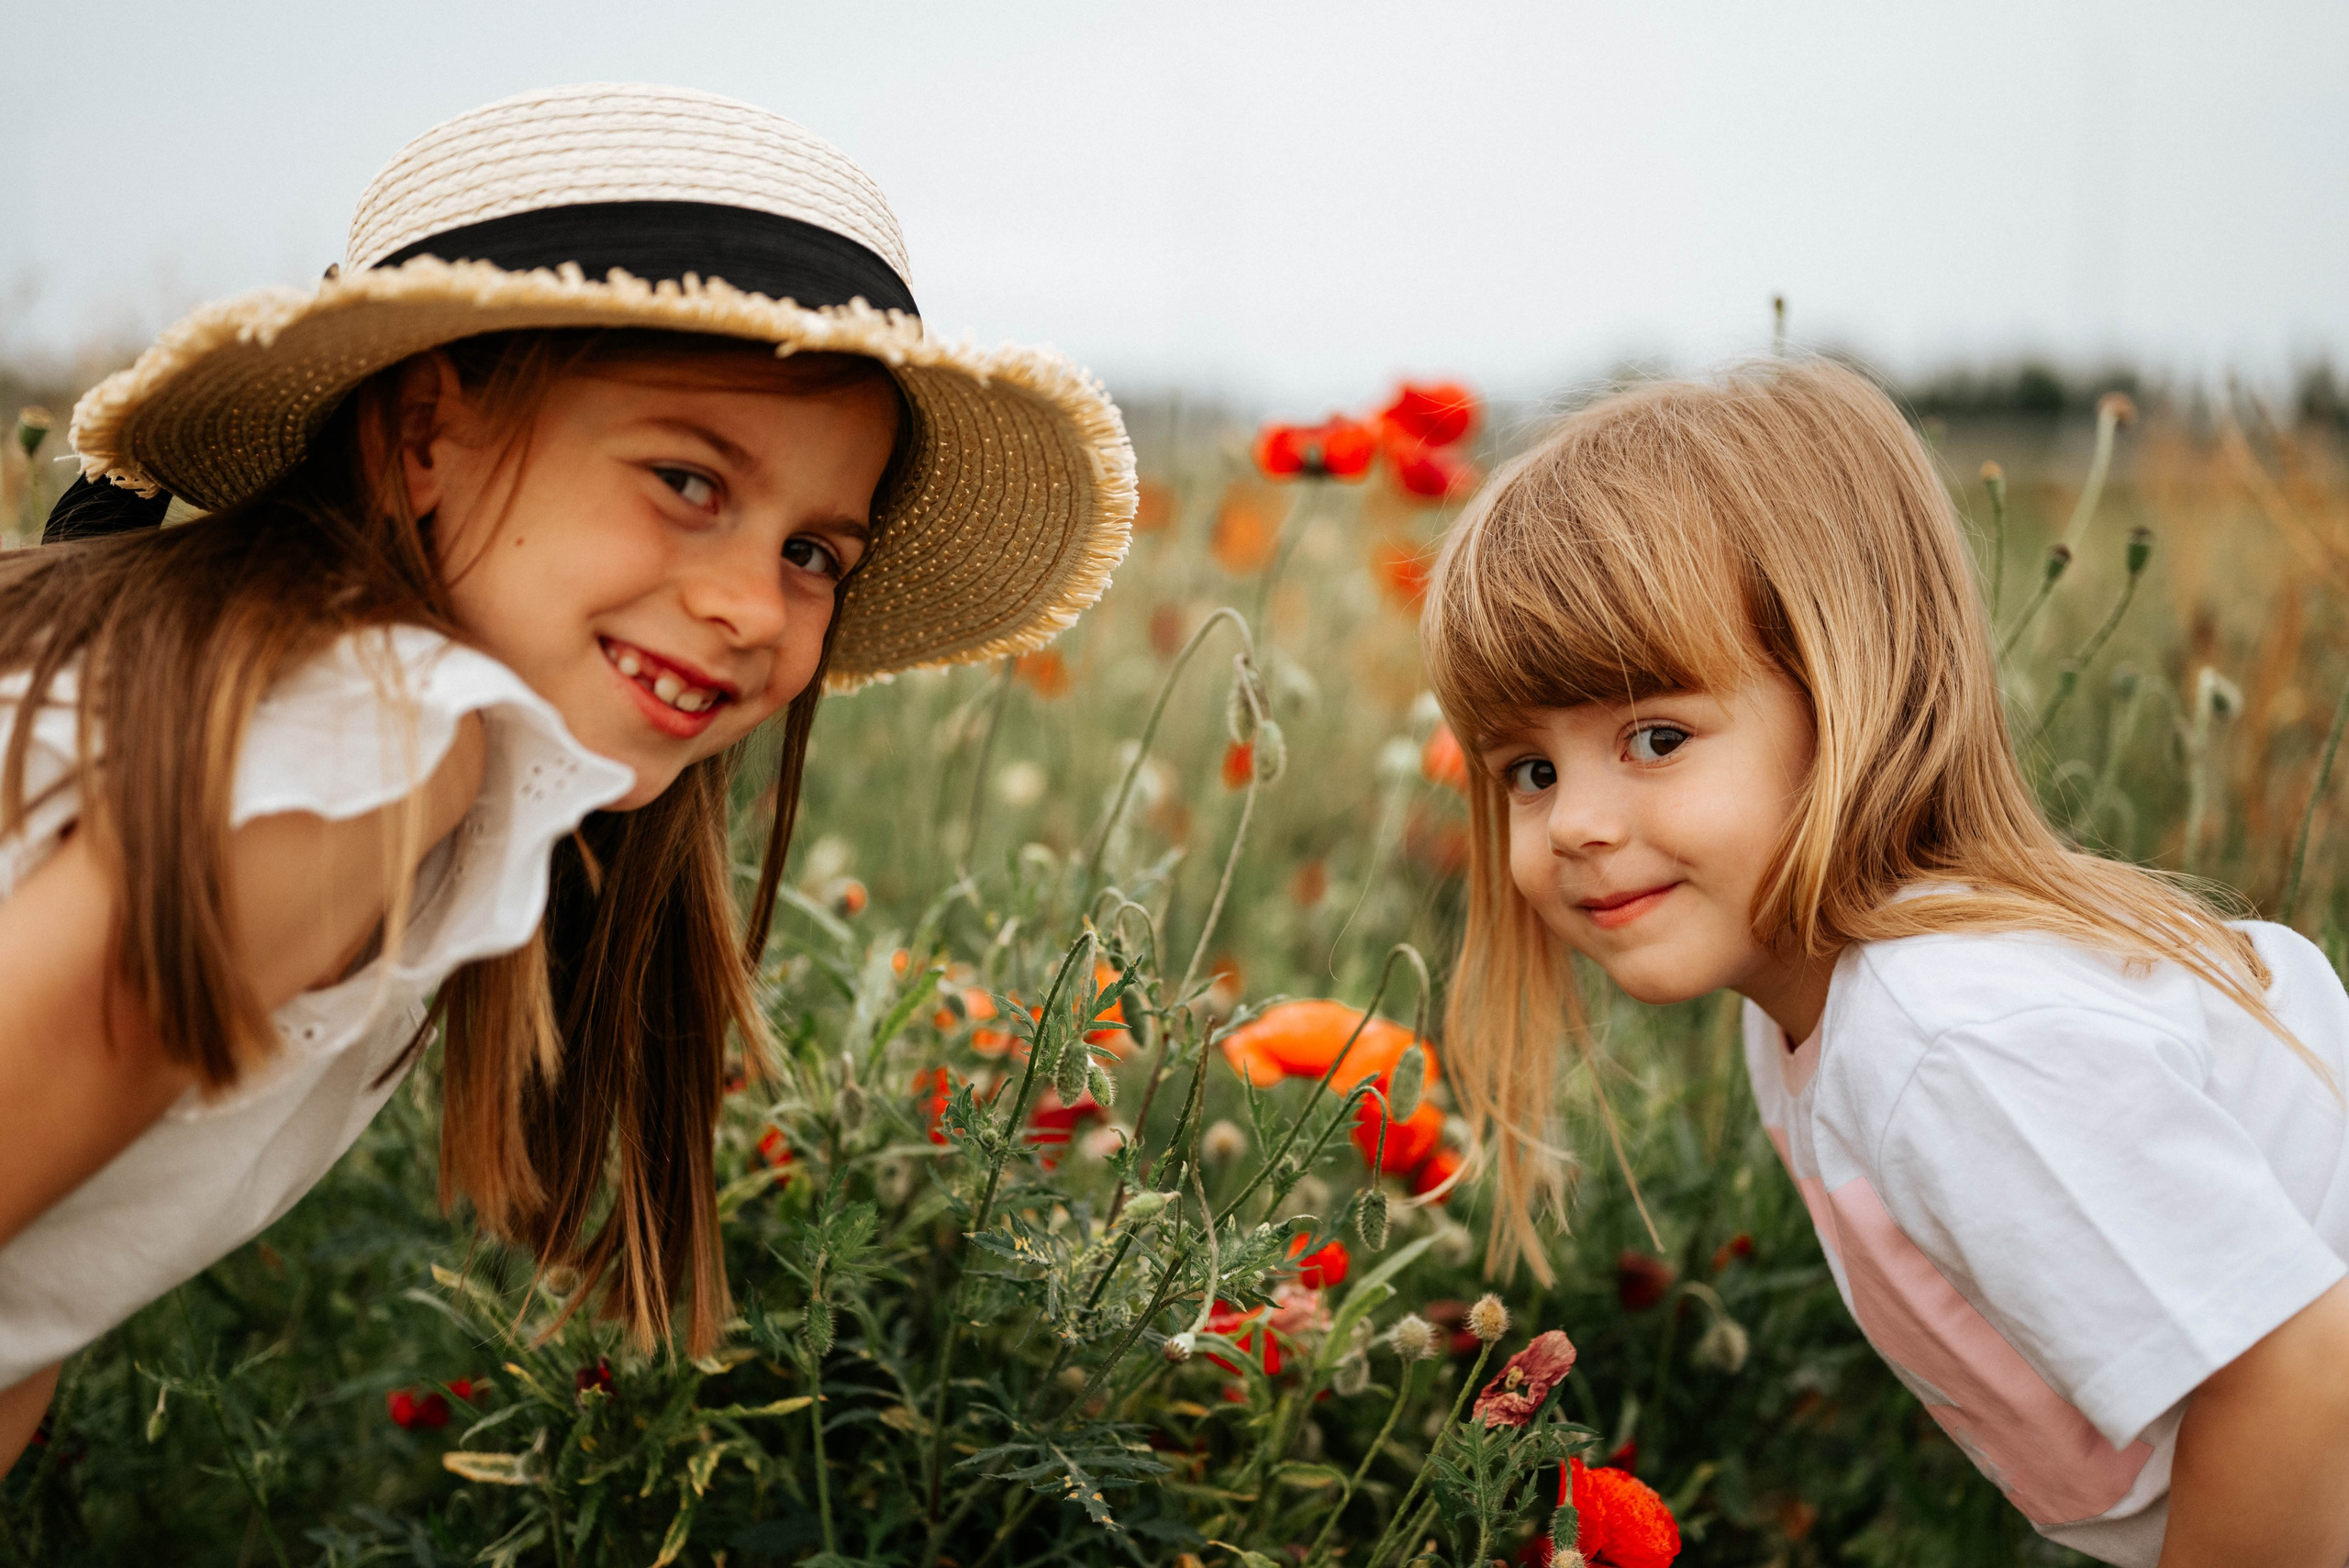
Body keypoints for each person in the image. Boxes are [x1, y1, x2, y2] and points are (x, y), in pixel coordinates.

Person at [0, 83, 1135, 1469]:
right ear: (425, 434)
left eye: (813, 552)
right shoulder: (370, 748)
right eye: (689, 481)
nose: (754, 609)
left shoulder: (321, 712)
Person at [1420, 360, 2349, 1567]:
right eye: (1530, 770)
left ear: (1846, 692)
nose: (1575, 823)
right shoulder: (1812, 1012)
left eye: (1655, 736)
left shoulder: (1946, 1029)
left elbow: (2297, 1373)